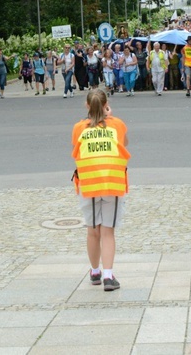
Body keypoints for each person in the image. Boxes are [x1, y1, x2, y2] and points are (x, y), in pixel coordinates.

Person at [71, 88, 130, 292]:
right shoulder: (117, 125)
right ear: (107, 105)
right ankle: (108, 276)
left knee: (92, 231)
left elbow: (75, 150)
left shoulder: (79, 128)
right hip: (112, 184)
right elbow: (125, 144)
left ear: (87, 106)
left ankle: (95, 271)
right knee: (107, 232)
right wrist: (109, 116)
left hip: (88, 184)